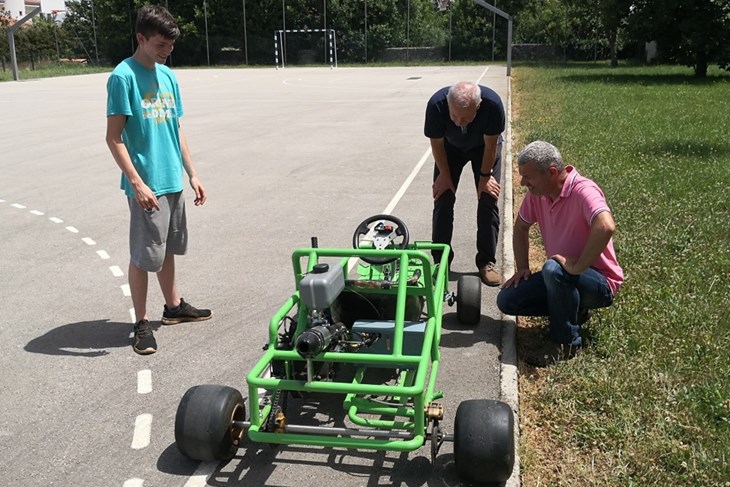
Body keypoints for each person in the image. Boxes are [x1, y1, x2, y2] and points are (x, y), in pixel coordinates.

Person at [106, 5, 211, 355]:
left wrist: (193, 173)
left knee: (166, 250)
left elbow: (176, 128)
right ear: (141, 38)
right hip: (147, 184)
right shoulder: (123, 77)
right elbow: (114, 138)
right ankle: (140, 324)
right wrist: (136, 182)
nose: (167, 51)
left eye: (170, 45)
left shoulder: (168, 76)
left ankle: (174, 307)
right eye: (161, 44)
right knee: (143, 256)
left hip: (172, 180)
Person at [497, 141, 624, 367]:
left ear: (552, 172)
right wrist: (523, 267)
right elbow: (520, 227)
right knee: (508, 300)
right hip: (561, 277)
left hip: (599, 283)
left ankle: (565, 342)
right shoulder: (539, 194)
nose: (523, 182)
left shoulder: (583, 190)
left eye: (528, 177)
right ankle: (573, 309)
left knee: (553, 269)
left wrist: (577, 267)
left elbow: (605, 226)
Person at [424, 81, 505, 286]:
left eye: (465, 117)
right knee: (443, 197)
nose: (459, 122)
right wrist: (444, 175)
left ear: (477, 107)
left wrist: (485, 177)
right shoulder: (436, 105)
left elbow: (491, 145)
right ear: (448, 105)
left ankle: (486, 261)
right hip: (450, 150)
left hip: (484, 148)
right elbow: (436, 144)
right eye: (454, 116)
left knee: (488, 198)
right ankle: (440, 261)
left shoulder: (493, 105)